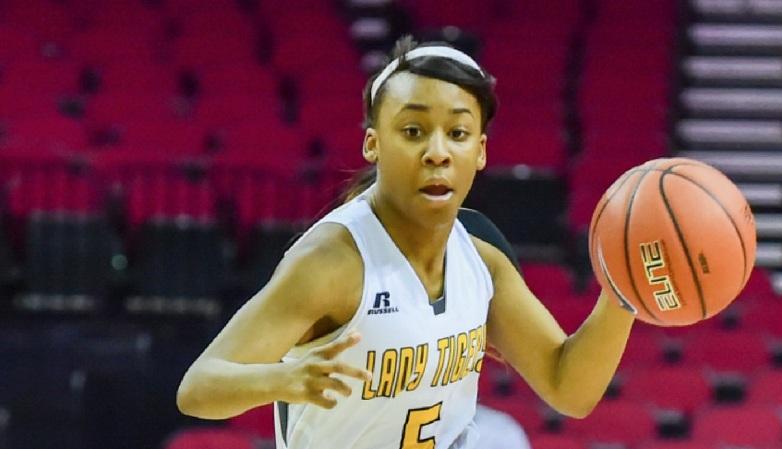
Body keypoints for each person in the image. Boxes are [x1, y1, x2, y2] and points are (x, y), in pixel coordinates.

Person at [176, 36, 635, 449]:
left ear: (480, 151)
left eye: (457, 133)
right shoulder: (333, 261)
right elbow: (198, 389)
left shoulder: (481, 256)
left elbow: (568, 388)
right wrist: (283, 378)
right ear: (373, 144)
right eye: (413, 131)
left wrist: (623, 289)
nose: (437, 152)